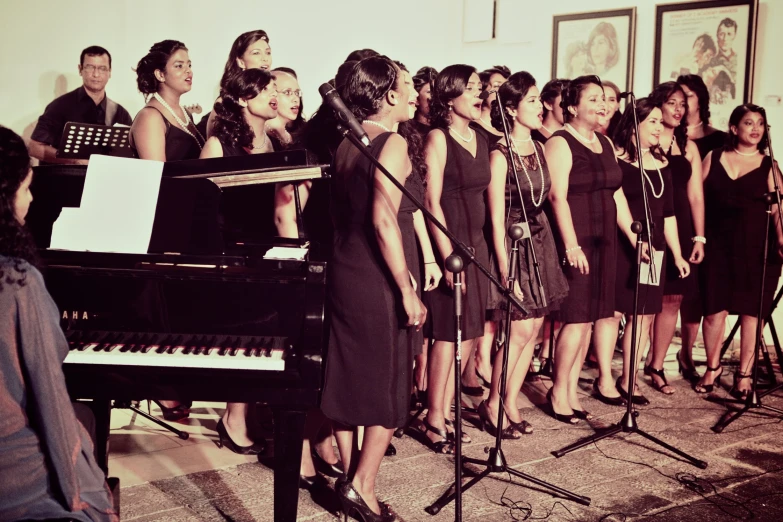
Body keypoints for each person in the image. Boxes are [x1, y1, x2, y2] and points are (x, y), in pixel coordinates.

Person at [320, 55, 426, 521]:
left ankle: (348, 478)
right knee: (387, 385)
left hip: (345, 271)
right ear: (386, 97)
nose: (415, 93)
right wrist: (405, 288)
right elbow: (384, 221)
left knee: (348, 380)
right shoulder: (392, 143)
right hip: (376, 278)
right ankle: (362, 488)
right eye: (406, 86)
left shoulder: (345, 142)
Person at [0, 126, 118, 522]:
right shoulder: (15, 279)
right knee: (78, 428)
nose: (31, 198)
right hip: (12, 478)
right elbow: (48, 384)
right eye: (26, 186)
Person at [482, 72, 569, 437]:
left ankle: (510, 401)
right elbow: (495, 219)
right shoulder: (499, 154)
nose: (540, 106)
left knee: (533, 328)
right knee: (518, 329)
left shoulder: (539, 145)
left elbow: (548, 198)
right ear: (513, 109)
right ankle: (492, 402)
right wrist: (506, 271)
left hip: (540, 239)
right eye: (532, 100)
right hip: (513, 242)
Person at [198, 68, 277, 456]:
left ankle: (244, 414)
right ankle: (233, 418)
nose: (274, 95)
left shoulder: (277, 142)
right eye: (266, 89)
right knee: (242, 338)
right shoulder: (218, 143)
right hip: (229, 253)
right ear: (244, 99)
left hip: (270, 250)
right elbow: (197, 208)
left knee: (264, 339)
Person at [546, 75, 633, 420]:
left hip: (604, 241)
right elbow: (557, 197)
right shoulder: (560, 142)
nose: (603, 105)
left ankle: (569, 388)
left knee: (595, 317)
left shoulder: (605, 143)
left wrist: (631, 234)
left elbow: (616, 193)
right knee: (576, 319)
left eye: (605, 99)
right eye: (594, 99)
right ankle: (557, 390)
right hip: (576, 239)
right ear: (571, 107)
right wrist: (570, 245)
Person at [422, 64, 490, 452]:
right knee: (446, 336)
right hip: (450, 248)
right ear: (449, 97)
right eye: (472, 88)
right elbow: (430, 201)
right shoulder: (438, 138)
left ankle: (446, 409)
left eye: (481, 88)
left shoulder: (479, 136)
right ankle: (434, 418)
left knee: (469, 334)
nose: (480, 95)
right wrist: (447, 256)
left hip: (476, 247)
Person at [698, 104, 782, 398]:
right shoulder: (714, 157)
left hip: (758, 248)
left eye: (760, 123)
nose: (756, 128)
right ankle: (712, 367)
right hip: (718, 245)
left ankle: (745, 375)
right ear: (734, 128)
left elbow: (779, 211)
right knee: (713, 309)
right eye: (749, 122)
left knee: (751, 312)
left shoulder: (769, 166)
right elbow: (696, 197)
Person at [610, 98, 690, 404]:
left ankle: (629, 378)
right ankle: (605, 374)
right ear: (633, 127)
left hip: (654, 245)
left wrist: (678, 254)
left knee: (642, 315)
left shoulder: (663, 164)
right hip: (625, 240)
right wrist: (633, 240)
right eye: (652, 122)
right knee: (616, 312)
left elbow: (668, 213)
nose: (660, 127)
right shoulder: (617, 161)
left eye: (660, 121)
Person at [646, 82, 706, 390]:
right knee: (645, 301)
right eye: (672, 102)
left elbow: (696, 196)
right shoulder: (645, 139)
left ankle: (656, 365)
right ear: (659, 104)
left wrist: (699, 237)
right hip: (651, 225)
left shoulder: (689, 147)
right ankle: (631, 368)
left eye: (682, 104)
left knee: (672, 300)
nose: (678, 109)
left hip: (681, 228)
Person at [29, 46, 132, 165]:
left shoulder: (120, 112)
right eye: (90, 67)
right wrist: (74, 161)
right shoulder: (59, 106)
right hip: (66, 181)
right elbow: (34, 147)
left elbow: (129, 153)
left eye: (102, 68)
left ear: (110, 72)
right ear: (80, 69)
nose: (96, 74)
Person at [130, 40, 204, 162]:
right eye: (179, 66)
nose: (188, 71)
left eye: (189, 65)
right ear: (160, 75)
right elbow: (157, 175)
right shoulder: (150, 117)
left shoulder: (185, 113)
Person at [200, 30, 272, 138]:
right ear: (241, 62)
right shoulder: (226, 101)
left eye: (268, 52)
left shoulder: (273, 95)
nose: (265, 58)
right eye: (256, 53)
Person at [677, 75, 727, 160]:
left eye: (688, 96)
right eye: (679, 96)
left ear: (701, 101)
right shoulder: (670, 136)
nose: (682, 100)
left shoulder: (721, 139)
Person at [533, 79, 569, 143]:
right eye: (566, 102)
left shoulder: (575, 136)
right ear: (548, 104)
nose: (570, 107)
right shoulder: (533, 138)